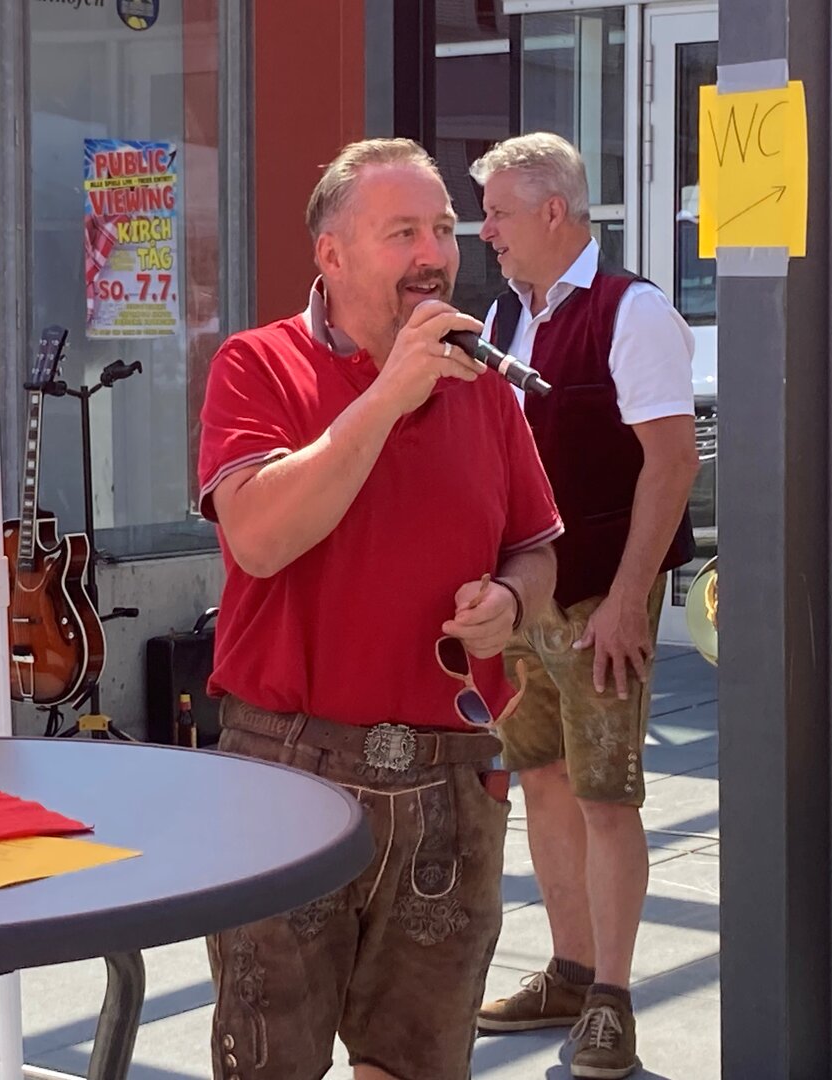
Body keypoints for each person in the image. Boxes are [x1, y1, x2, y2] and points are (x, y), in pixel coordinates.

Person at [197, 137, 562, 1080]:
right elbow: (260, 537)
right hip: (290, 771)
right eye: (402, 231)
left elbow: (538, 546)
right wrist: (391, 392)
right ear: (332, 254)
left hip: (451, 779)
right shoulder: (258, 365)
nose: (434, 253)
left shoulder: (487, 389)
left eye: (442, 228)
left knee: (421, 1066)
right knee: (268, 1066)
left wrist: (512, 599)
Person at [469, 133, 700, 1080]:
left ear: (554, 212)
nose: (485, 232)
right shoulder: (504, 312)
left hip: (602, 595)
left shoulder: (631, 310)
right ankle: (567, 973)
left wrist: (631, 601)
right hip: (529, 599)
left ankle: (611, 1001)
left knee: (607, 798)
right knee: (546, 784)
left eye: (497, 214)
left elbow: (673, 462)